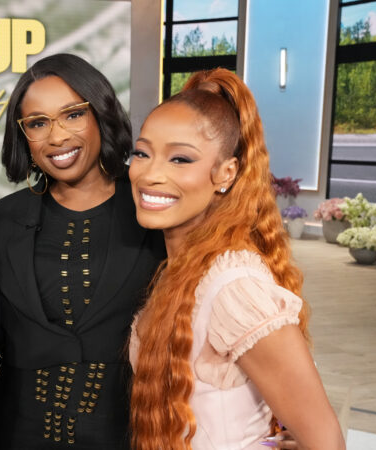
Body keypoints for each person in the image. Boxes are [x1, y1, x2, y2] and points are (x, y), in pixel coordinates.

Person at [128, 68, 345, 449]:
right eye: (142, 153)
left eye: (180, 159)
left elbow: (326, 442)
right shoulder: (178, 270)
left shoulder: (234, 288)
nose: (151, 174)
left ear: (226, 173)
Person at [0, 53, 166, 449]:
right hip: (15, 435)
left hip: (125, 435)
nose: (57, 137)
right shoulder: (1, 220)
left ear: (100, 113)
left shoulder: (152, 213)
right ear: (23, 136)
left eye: (72, 115)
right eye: (38, 123)